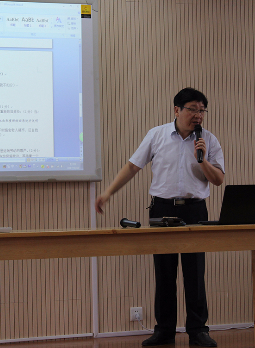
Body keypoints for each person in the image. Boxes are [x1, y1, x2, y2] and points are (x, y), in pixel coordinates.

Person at [95, 88, 225, 347]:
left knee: (195, 274)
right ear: (177, 110)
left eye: (202, 110)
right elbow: (133, 166)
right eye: (192, 109)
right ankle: (164, 330)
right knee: (164, 273)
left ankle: (198, 330)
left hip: (195, 210)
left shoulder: (208, 140)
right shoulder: (156, 135)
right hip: (162, 210)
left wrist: (202, 161)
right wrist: (108, 192)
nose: (198, 115)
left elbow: (218, 179)